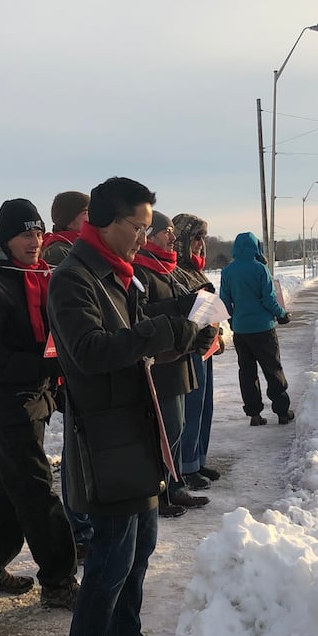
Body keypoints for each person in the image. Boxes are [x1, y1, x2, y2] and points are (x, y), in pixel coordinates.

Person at [47, 177, 213, 636]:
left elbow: (141, 337)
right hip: (103, 435)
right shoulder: (75, 279)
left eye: (148, 227)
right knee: (110, 559)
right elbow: (91, 352)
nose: (144, 236)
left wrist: (188, 335)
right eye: (136, 226)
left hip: (136, 427)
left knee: (141, 544)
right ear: (103, 220)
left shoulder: (122, 277)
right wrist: (160, 333)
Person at [0, 199, 80, 609]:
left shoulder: (32, 276)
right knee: (34, 489)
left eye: (39, 233)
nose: (36, 241)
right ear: (6, 239)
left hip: (34, 396)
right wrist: (46, 366)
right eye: (26, 234)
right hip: (7, 402)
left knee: (6, 486)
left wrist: (54, 378)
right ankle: (59, 579)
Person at [132, 210, 208, 517]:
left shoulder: (168, 268)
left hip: (180, 360)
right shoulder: (142, 272)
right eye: (167, 232)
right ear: (149, 236)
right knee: (165, 431)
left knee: (177, 428)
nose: (173, 238)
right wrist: (181, 306)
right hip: (161, 365)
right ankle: (161, 492)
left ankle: (174, 486)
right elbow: (142, 313)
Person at [42, 190, 94, 553]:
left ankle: (83, 524)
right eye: (86, 212)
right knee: (75, 450)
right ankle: (78, 528)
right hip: (65, 360)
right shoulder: (59, 252)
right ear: (70, 217)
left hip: (71, 360)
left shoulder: (75, 248)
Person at [218, 231, 294, 426]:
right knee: (272, 369)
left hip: (241, 331)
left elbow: (225, 302)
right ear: (255, 247)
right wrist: (282, 314)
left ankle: (254, 414)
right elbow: (269, 299)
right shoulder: (260, 269)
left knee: (247, 371)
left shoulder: (227, 271)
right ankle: (282, 412)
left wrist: (233, 322)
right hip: (263, 329)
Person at [172, 213, 222, 489]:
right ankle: (186, 465)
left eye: (203, 238)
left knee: (204, 407)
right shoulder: (174, 270)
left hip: (206, 347)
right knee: (190, 409)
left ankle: (198, 458)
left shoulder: (196, 270)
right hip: (189, 349)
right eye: (195, 237)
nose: (200, 244)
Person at [41, 190, 89, 266]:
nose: (91, 217)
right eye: (85, 213)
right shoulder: (57, 253)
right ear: (69, 221)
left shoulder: (83, 246)